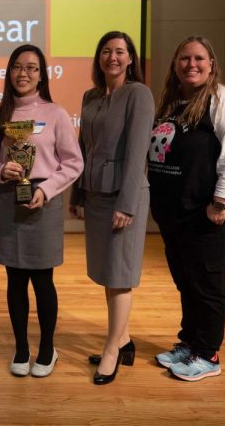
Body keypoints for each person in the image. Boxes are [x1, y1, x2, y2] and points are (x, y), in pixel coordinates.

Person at [147, 36, 225, 381]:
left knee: (207, 283)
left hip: (207, 211)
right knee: (186, 281)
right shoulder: (174, 102)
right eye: (184, 59)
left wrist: (221, 202)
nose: (191, 65)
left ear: (211, 64)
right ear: (175, 65)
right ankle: (189, 343)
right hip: (174, 213)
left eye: (199, 59)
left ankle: (208, 354)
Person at [0, 44, 83, 378]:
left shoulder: (55, 114)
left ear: (41, 75)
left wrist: (46, 189)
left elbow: (74, 162)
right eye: (18, 67)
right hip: (9, 200)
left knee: (42, 279)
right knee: (14, 278)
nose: (24, 74)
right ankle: (21, 348)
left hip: (43, 202)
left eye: (32, 68)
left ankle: (48, 349)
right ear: (9, 72)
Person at [68, 32, 154, 385]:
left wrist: (127, 204)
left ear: (131, 58)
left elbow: (137, 154)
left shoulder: (139, 94)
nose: (112, 57)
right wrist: (77, 193)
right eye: (106, 51)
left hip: (124, 196)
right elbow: (82, 148)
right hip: (95, 192)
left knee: (121, 276)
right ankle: (125, 339)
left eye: (120, 51)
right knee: (108, 273)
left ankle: (111, 351)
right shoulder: (90, 95)